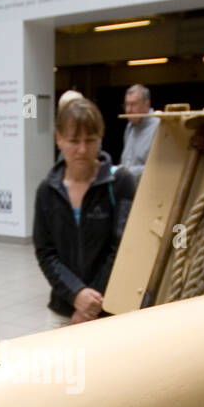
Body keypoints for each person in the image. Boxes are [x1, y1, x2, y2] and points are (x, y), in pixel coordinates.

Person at [34, 98, 136, 325]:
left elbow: (121, 247)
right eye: (73, 140)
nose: (82, 149)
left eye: (90, 140)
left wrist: (90, 304)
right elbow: (46, 253)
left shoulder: (119, 183)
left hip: (109, 308)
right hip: (63, 309)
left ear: (101, 138)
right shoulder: (47, 191)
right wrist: (76, 294)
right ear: (58, 139)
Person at [118, 84, 159, 180]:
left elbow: (157, 168)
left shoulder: (159, 126)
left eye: (133, 104)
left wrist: (125, 172)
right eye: (126, 105)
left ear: (147, 104)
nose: (128, 110)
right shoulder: (130, 126)